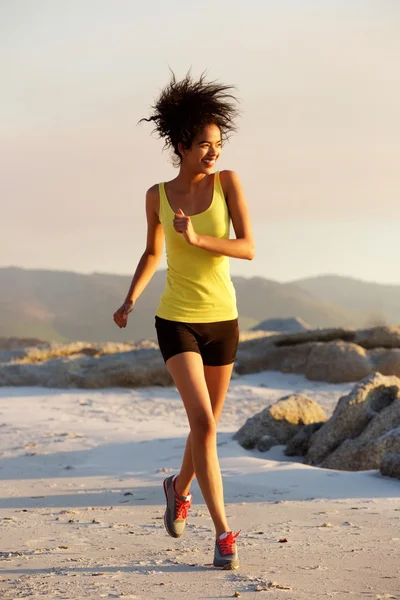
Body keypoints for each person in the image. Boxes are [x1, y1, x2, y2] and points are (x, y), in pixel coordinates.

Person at [113, 72, 254, 570]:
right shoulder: (157, 194)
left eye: (218, 143)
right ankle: (222, 533)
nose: (214, 152)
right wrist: (131, 298)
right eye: (203, 144)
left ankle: (178, 487)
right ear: (180, 145)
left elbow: (248, 248)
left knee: (207, 428)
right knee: (203, 422)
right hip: (176, 320)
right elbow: (153, 252)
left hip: (224, 321)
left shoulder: (228, 184)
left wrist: (196, 240)